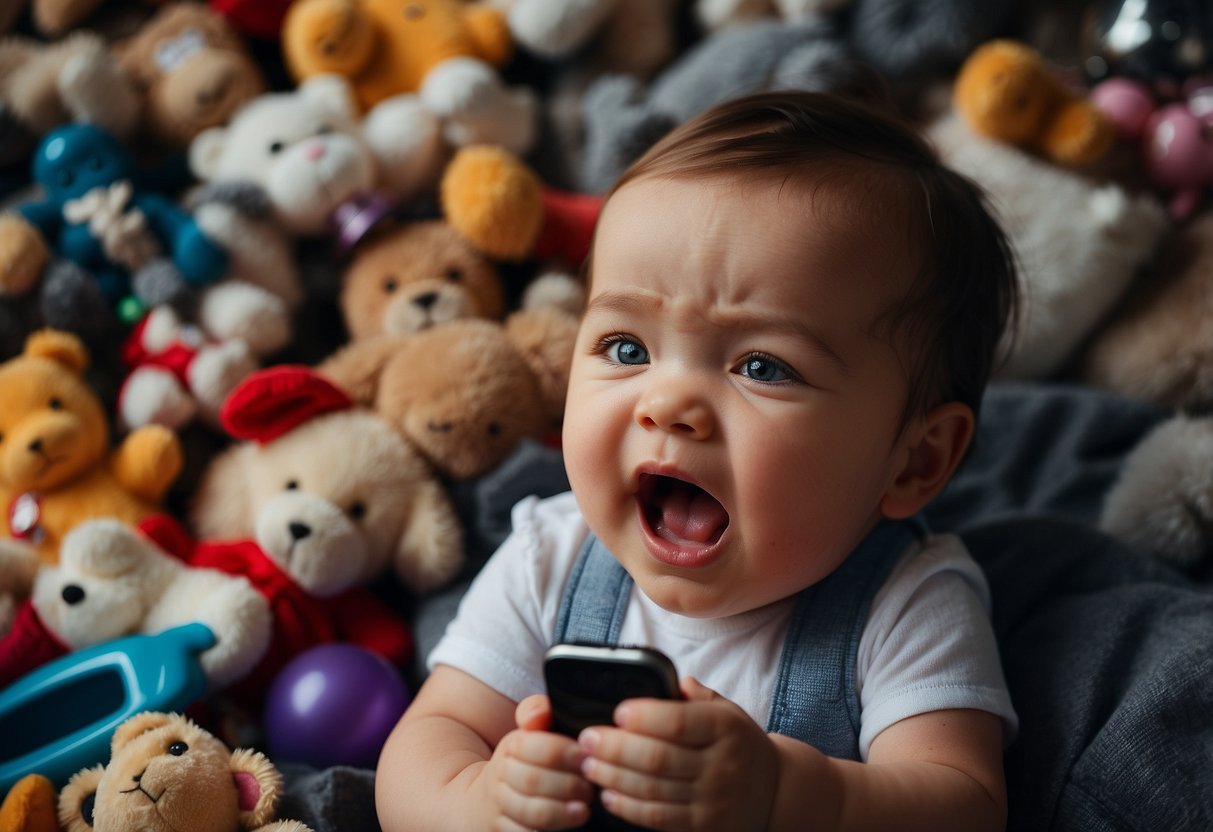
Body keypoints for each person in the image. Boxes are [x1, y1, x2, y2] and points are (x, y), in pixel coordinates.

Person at [376, 90, 1021, 832]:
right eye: (627, 349)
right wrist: (476, 800)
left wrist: (785, 795)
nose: (667, 404)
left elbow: (964, 806)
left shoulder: (906, 603)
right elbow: (424, 747)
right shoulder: (548, 558)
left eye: (762, 366)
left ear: (914, 461)